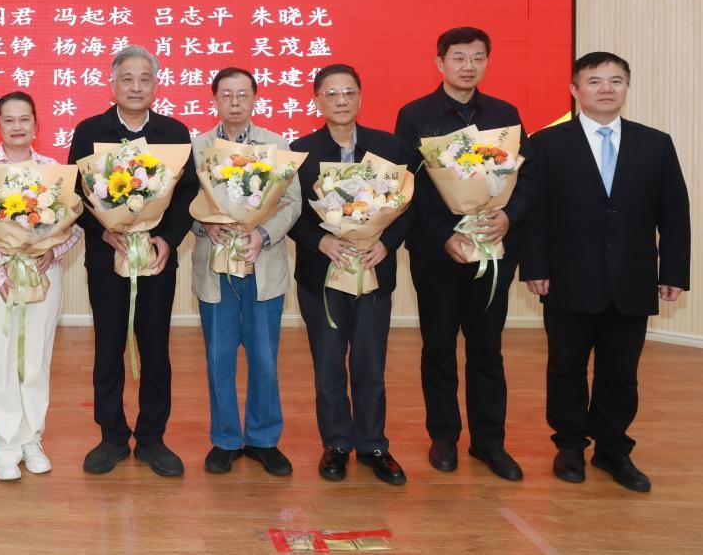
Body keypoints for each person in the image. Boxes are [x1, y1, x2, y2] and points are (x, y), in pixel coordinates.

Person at [523, 52, 689, 492]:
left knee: (620, 371)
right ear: (575, 90)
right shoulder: (546, 143)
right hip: (567, 276)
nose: (606, 88)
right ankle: (570, 446)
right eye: (595, 81)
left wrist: (673, 270)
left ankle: (613, 449)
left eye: (616, 80)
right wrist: (535, 265)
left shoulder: (655, 143)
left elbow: (675, 213)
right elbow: (534, 213)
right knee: (566, 368)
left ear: (626, 88)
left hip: (633, 278)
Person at [394, 27, 534, 481]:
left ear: (487, 62)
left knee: (487, 348)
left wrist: (508, 217)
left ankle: (489, 442)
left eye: (477, 57)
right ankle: (444, 436)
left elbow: (526, 177)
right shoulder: (415, 115)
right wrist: (443, 237)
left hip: (492, 248)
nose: (468, 66)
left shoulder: (505, 114)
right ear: (440, 62)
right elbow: (409, 187)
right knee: (438, 346)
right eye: (458, 57)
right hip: (437, 254)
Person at [68, 45, 198, 477]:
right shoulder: (89, 131)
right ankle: (111, 437)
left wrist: (167, 240)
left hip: (156, 261)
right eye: (127, 78)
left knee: (156, 349)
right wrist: (102, 231)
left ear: (156, 85)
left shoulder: (174, 132)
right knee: (108, 349)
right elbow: (75, 196)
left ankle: (152, 438)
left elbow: (187, 195)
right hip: (108, 260)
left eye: (145, 79)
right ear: (113, 84)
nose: (136, 86)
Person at [290, 64, 413, 485]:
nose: (341, 100)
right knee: (328, 364)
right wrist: (319, 242)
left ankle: (374, 444)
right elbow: (290, 213)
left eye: (349, 92)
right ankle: (337, 443)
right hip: (322, 275)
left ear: (360, 96)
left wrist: (387, 243)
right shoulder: (301, 150)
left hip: (373, 272)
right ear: (317, 100)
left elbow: (408, 207)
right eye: (331, 94)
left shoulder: (389, 147)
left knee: (370, 363)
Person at [0, 92, 83, 481]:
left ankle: (32, 440)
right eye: (9, 120)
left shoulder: (53, 171)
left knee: (35, 362)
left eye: (24, 119)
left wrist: (53, 252)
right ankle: (5, 448)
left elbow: (74, 226)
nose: (17, 127)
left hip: (43, 276)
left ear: (36, 124)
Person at [191, 67, 302, 476]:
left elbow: (292, 203)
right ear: (214, 99)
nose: (235, 102)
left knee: (264, 359)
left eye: (242, 95)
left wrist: (263, 234)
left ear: (255, 98)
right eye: (226, 95)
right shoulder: (198, 147)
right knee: (218, 360)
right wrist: (205, 225)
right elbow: (183, 203)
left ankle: (263, 439)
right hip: (215, 267)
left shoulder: (276, 145)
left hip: (262, 265)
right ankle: (225, 439)